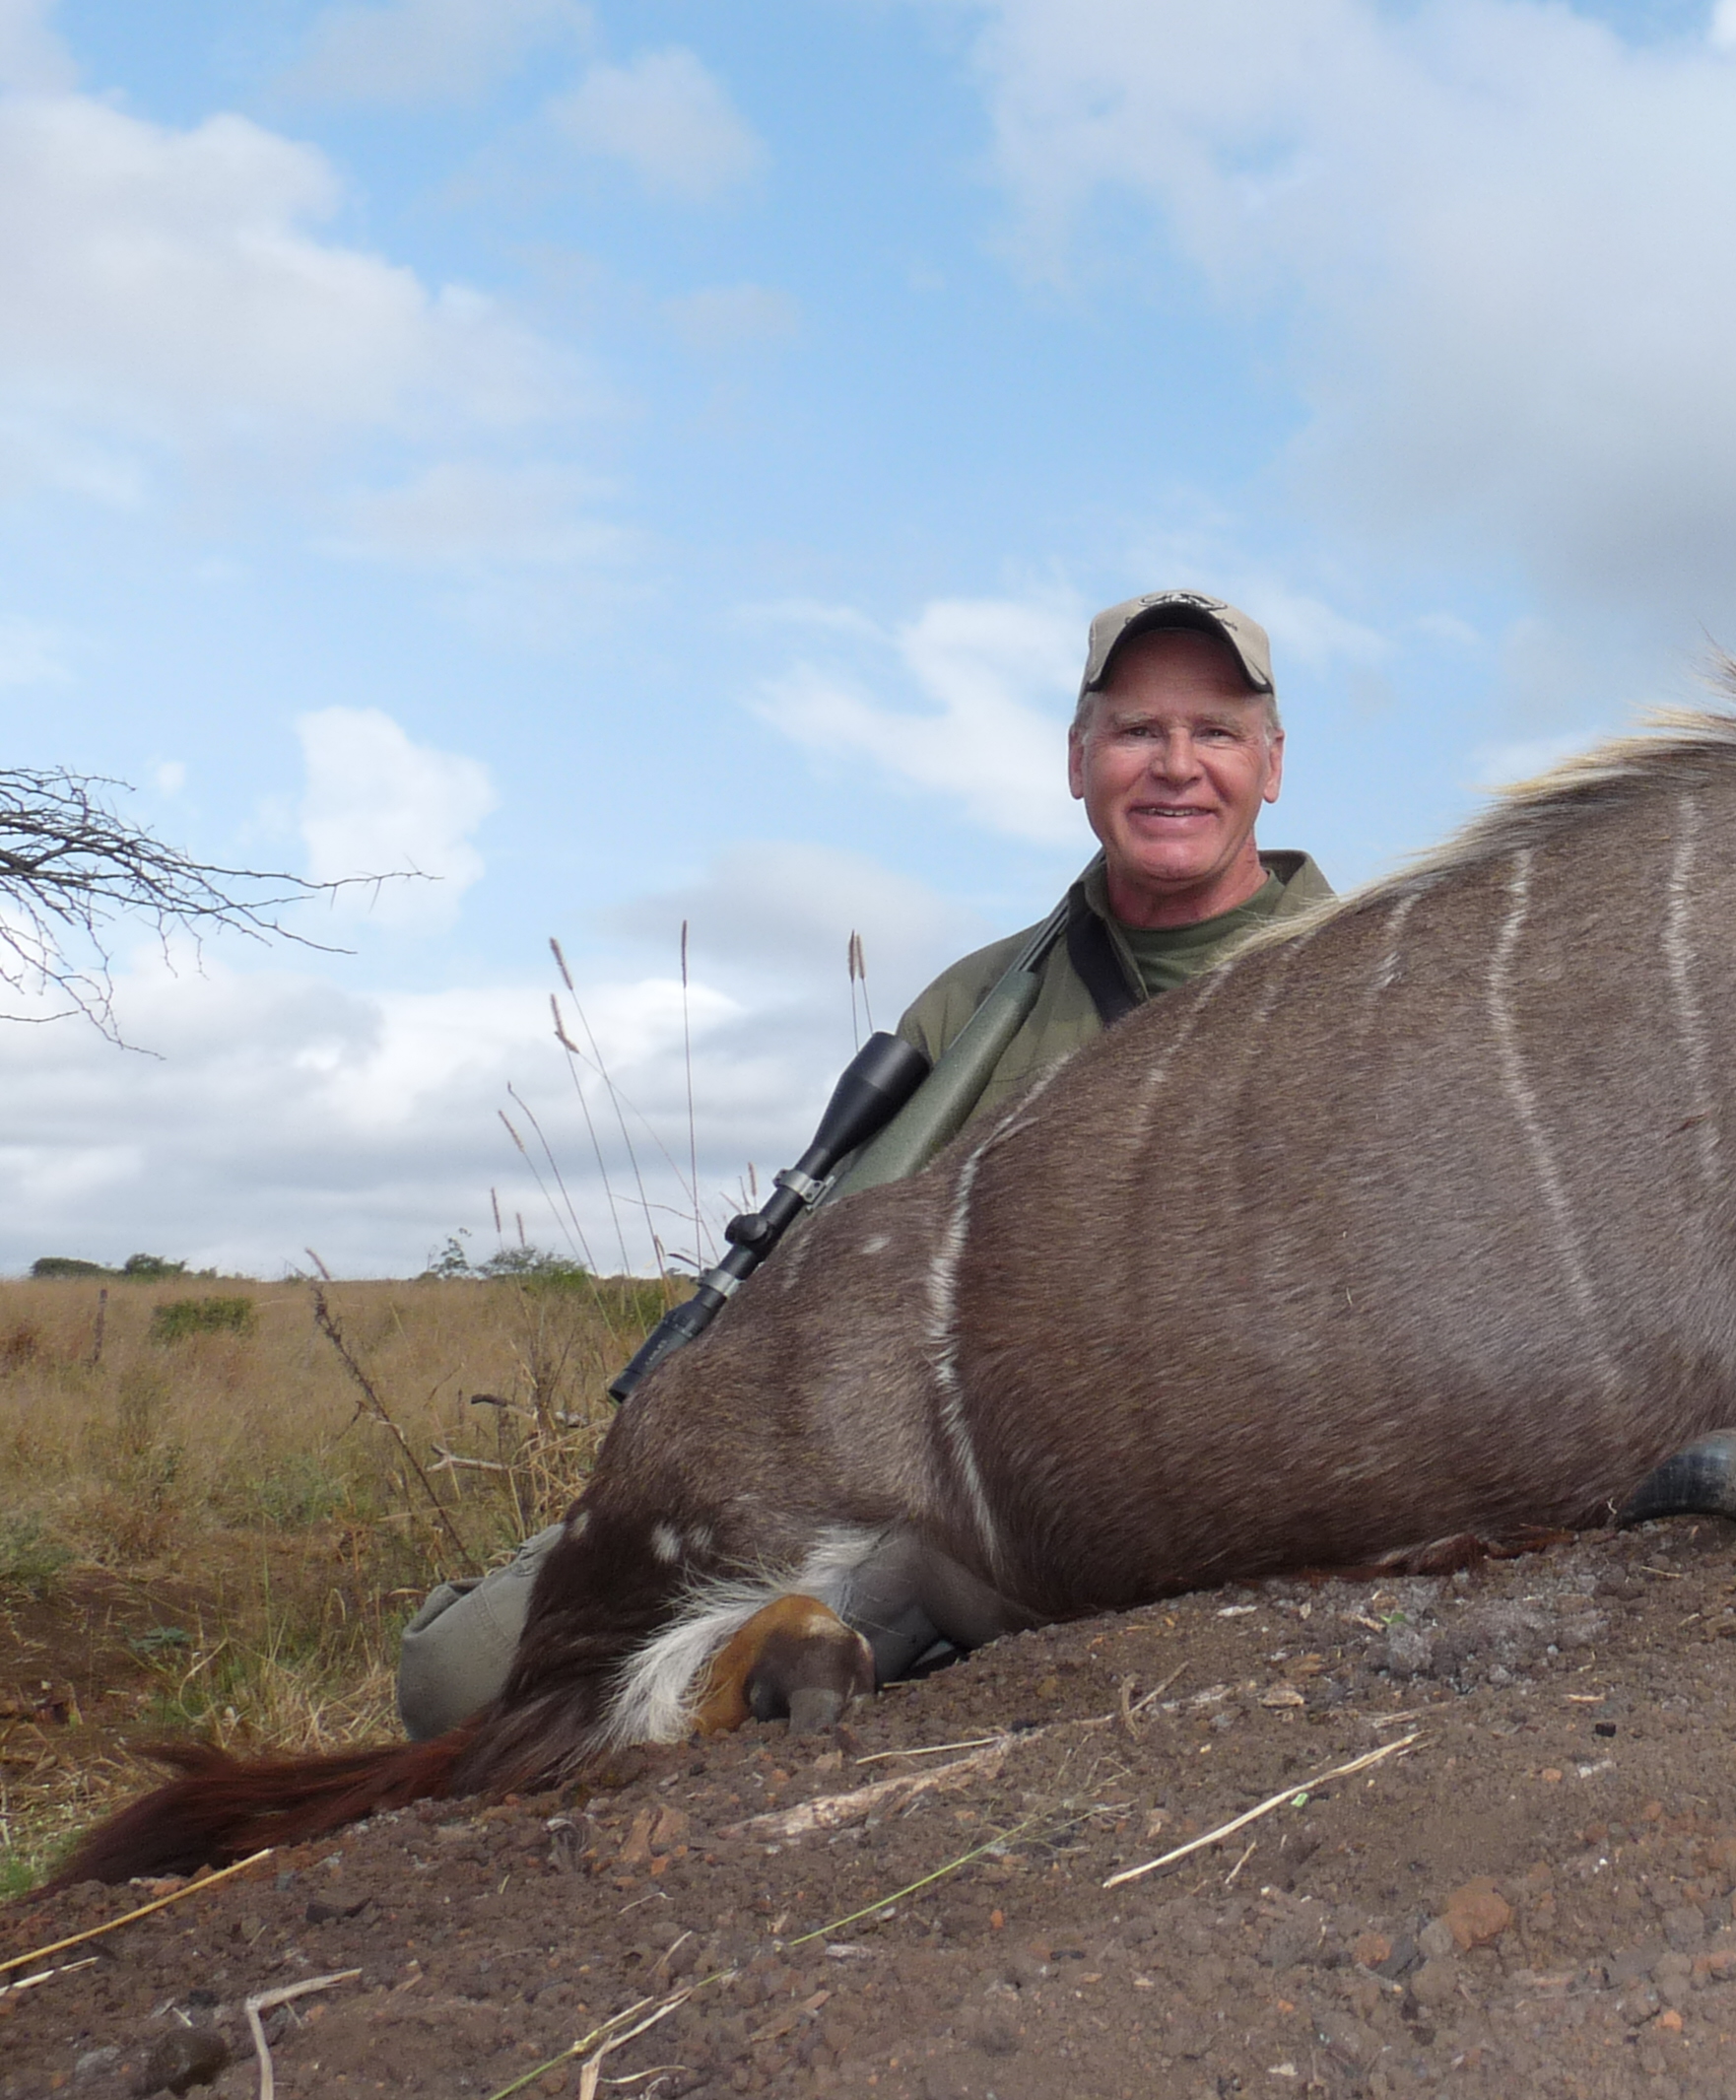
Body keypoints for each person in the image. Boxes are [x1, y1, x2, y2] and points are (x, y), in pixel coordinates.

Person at [394, 589, 1331, 1738]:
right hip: (961, 1490)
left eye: (1217, 733)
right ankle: (781, 1650)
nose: (1175, 766)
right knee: (455, 1682)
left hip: (1257, 1477)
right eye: (1138, 731)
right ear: (1079, 761)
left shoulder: (1365, 992)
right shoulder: (971, 1008)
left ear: (1271, 765)